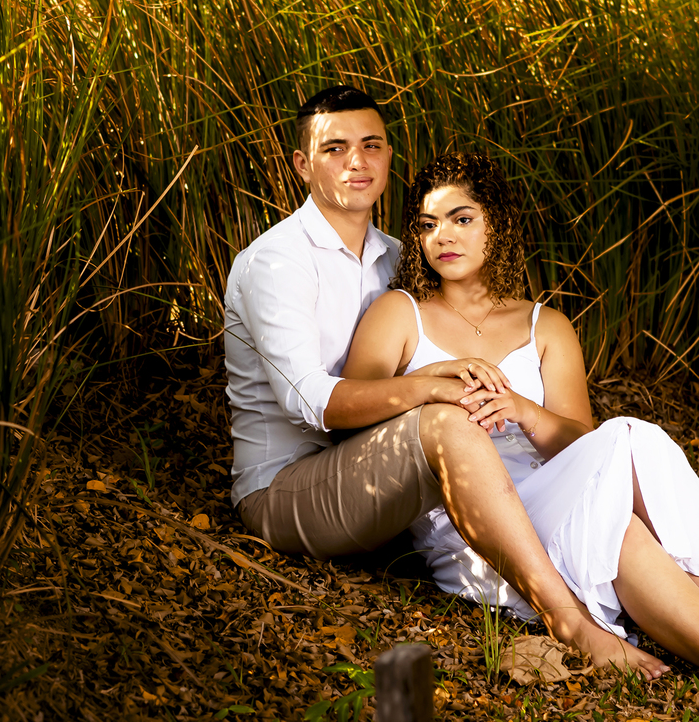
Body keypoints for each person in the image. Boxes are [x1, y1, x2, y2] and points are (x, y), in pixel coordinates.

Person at [224, 87, 671, 678]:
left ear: (389, 157)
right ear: (303, 165)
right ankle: (569, 620)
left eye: (371, 145)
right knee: (448, 421)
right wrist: (429, 384)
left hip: (386, 480)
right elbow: (312, 403)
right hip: (286, 486)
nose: (356, 162)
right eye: (334, 149)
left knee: (627, 454)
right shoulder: (277, 261)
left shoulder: (400, 257)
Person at [338, 152, 699, 673]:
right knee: (620, 502)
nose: (442, 236)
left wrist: (526, 412)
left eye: (462, 218)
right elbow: (352, 417)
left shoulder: (545, 325)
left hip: (555, 491)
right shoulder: (400, 312)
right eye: (428, 224)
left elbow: (583, 449)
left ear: (498, 224)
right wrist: (432, 383)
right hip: (477, 521)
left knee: (629, 462)